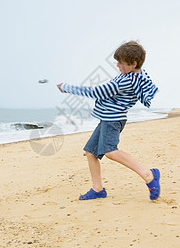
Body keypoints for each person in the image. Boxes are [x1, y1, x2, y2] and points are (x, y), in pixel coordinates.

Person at [57, 41, 160, 201]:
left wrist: (66, 87)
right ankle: (98, 189)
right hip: (108, 119)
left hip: (113, 120)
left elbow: (96, 92)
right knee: (90, 152)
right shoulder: (136, 74)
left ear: (133, 64)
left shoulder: (124, 81)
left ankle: (148, 174)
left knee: (110, 151)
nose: (118, 65)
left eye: (121, 63)